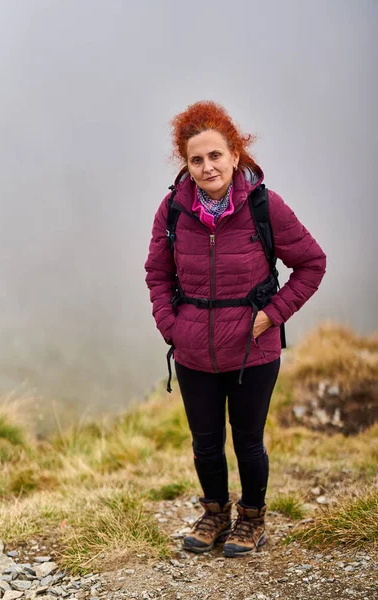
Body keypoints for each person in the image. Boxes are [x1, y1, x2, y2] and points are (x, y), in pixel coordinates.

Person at [144, 101, 326, 558]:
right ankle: (215, 513)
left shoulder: (264, 205)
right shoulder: (172, 210)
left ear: (235, 154)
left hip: (253, 352)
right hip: (193, 354)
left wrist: (272, 315)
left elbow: (311, 263)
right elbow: (158, 275)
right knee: (205, 444)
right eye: (196, 159)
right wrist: (173, 328)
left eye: (215, 156)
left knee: (248, 442)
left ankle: (251, 519)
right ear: (185, 164)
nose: (208, 167)